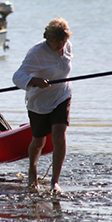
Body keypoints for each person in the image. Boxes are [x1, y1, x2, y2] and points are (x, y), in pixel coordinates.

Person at [12, 17, 73, 193]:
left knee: (59, 134)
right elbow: (17, 77)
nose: (62, 47)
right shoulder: (36, 53)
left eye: (64, 42)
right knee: (38, 141)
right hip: (39, 101)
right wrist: (34, 80)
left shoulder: (67, 45)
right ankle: (32, 170)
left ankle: (55, 182)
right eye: (57, 44)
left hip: (62, 94)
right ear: (49, 40)